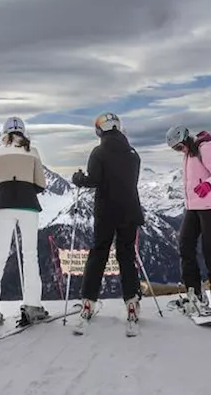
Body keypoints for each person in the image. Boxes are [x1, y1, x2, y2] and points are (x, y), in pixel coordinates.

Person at [70, 112, 144, 332]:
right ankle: (131, 303)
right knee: (126, 255)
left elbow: (94, 180)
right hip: (130, 212)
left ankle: (88, 303)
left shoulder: (99, 152)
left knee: (98, 254)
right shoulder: (133, 154)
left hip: (106, 213)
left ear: (100, 130)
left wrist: (78, 179)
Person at [0, 116, 48, 331]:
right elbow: (41, 184)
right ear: (23, 132)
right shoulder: (32, 152)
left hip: (3, 204)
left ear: (5, 133)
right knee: (30, 255)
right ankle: (32, 306)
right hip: (28, 205)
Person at [166, 124, 211, 317]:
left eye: (179, 147)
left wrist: (208, 186)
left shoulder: (204, 148)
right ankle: (195, 295)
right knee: (185, 248)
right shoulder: (189, 154)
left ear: (186, 139)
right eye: (175, 149)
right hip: (193, 209)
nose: (179, 151)